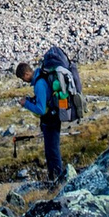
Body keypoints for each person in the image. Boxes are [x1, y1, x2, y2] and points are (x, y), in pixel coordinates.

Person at [16, 47, 81, 192]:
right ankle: (54, 180)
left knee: (52, 150)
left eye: (23, 78)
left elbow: (40, 109)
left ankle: (58, 182)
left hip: (51, 120)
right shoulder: (42, 76)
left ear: (27, 74)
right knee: (50, 150)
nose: (24, 81)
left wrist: (25, 103)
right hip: (53, 117)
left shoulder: (39, 84)